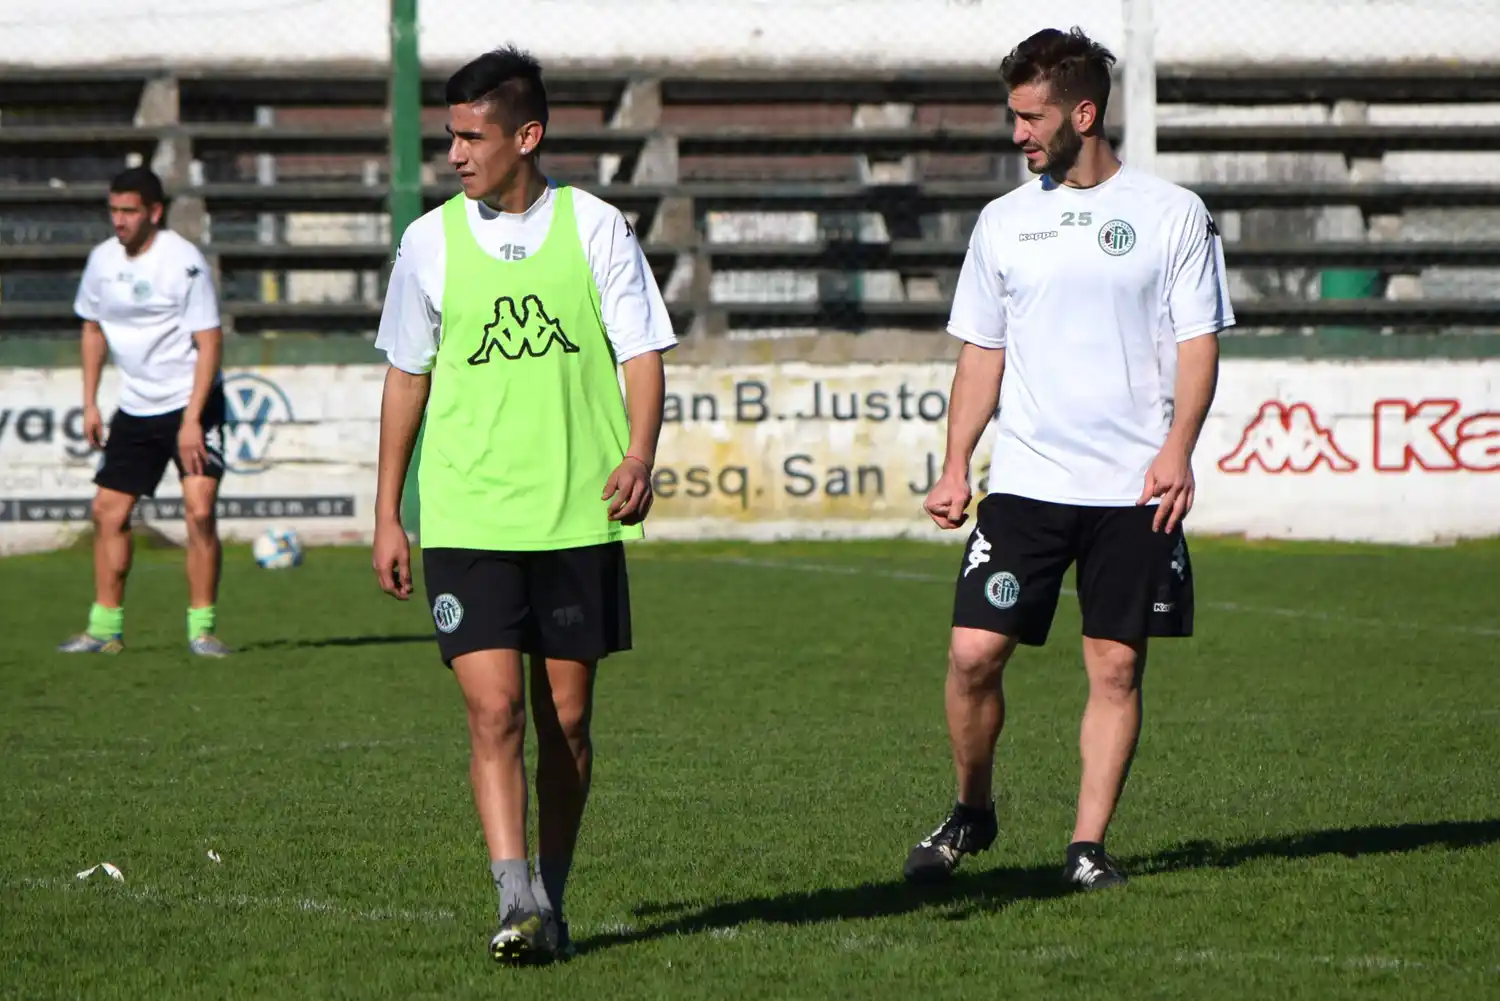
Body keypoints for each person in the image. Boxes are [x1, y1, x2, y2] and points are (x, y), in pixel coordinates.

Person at [903, 27, 1234, 891]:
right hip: (1027, 486)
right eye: (1012, 114)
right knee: (974, 653)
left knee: (1116, 663)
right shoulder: (1003, 222)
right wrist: (955, 463)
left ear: (1082, 114)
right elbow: (982, 350)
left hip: (1134, 488)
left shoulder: (1172, 214)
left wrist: (1178, 451)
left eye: (1030, 115)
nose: (1016, 131)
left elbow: (1199, 345)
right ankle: (973, 807)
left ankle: (1087, 846)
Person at [371, 45, 674, 965]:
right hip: (467, 515)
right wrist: (388, 510)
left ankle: (553, 891)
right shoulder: (427, 242)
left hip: (575, 517)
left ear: (527, 136)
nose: (455, 154)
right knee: (494, 710)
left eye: (472, 136)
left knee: (567, 723)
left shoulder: (597, 229)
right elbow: (404, 379)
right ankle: (514, 899)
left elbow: (643, 353)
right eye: (449, 136)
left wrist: (640, 452)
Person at [57, 166, 231, 658]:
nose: (119, 221)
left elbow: (209, 340)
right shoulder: (101, 261)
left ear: (154, 212)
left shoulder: (183, 262)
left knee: (198, 510)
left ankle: (202, 629)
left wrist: (193, 420)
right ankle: (104, 629)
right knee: (107, 512)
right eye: (113, 210)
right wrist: (90, 400)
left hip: (190, 401)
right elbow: (92, 329)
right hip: (136, 406)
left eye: (129, 211)